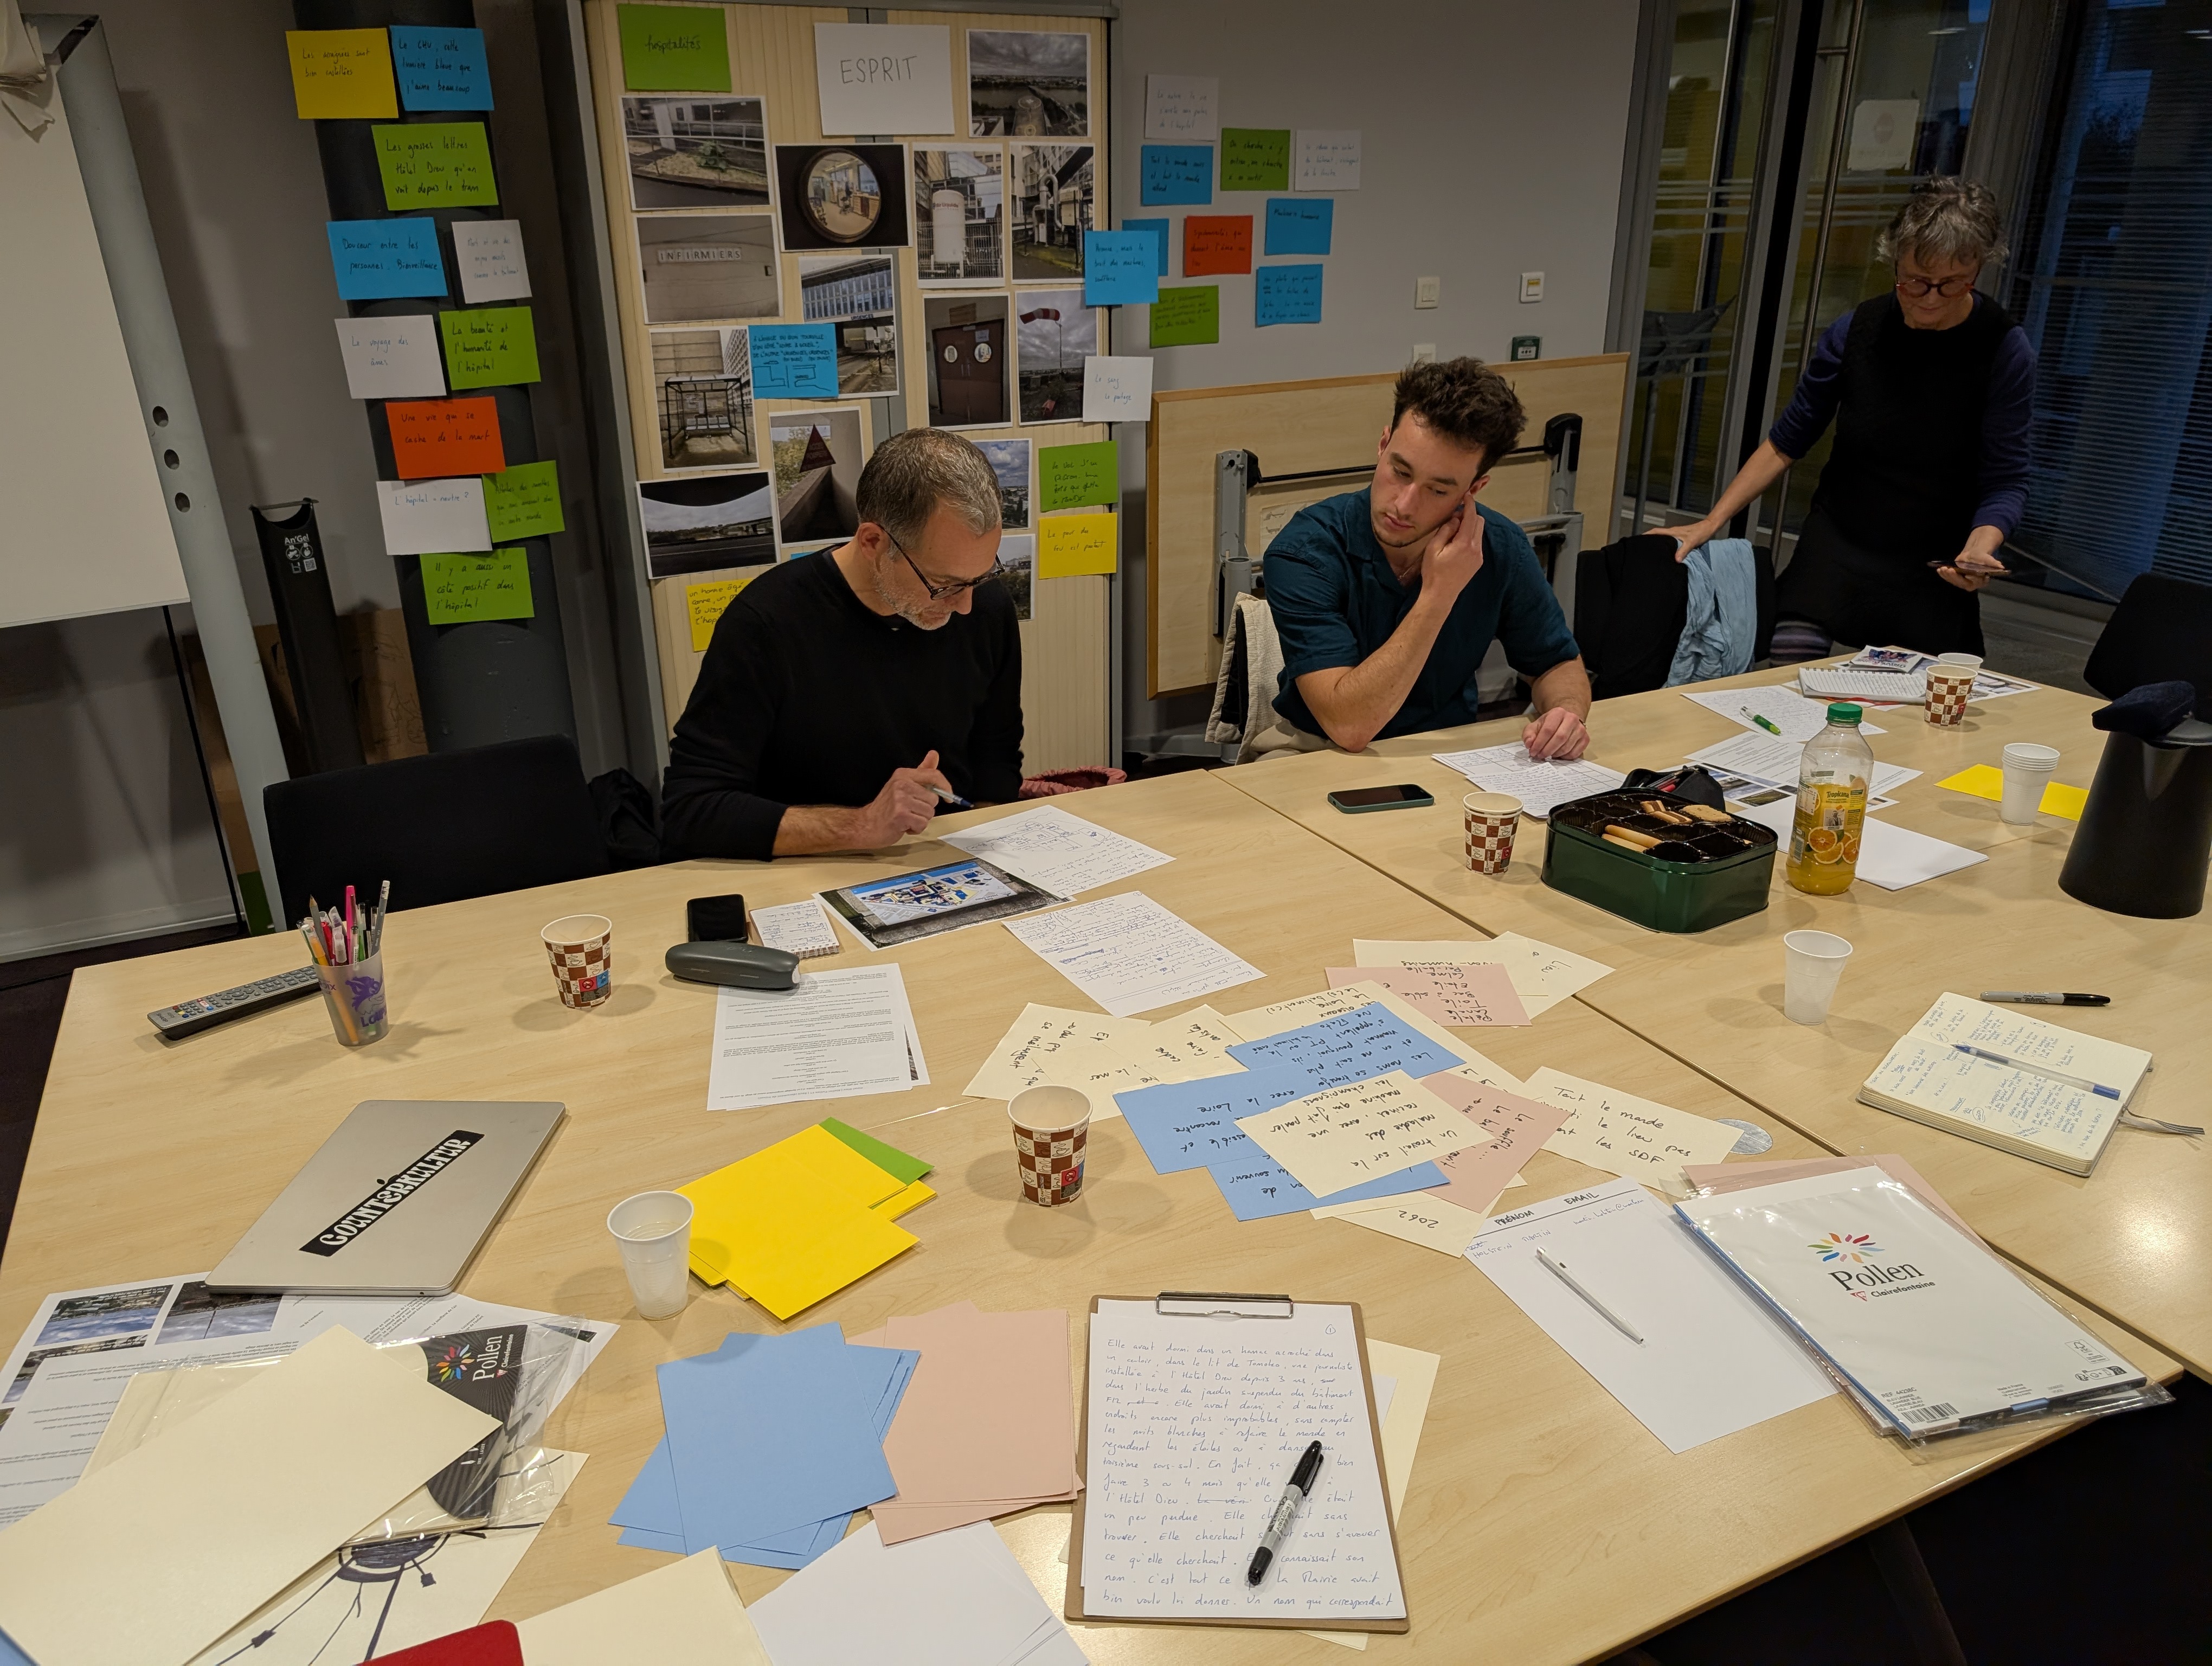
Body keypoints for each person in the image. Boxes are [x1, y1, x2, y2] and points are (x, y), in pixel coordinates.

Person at [1668, 179, 2034, 658]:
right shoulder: (1857, 329)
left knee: (1912, 691)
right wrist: (1712, 521)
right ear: (1895, 261)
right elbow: (1787, 441)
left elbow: (2007, 479)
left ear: (1979, 268)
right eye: (1915, 281)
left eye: (1951, 284)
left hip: (1931, 552)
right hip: (1841, 535)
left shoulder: (2004, 349)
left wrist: (1981, 547)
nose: (1929, 298)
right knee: (1791, 652)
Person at [659, 428, 1022, 860]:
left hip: (942, 859)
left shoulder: (986, 608)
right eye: (943, 584)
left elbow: (997, 763)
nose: (965, 605)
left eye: (982, 575)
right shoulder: (766, 623)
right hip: (809, 869)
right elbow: (691, 811)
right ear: (873, 542)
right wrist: (862, 825)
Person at [1260, 357, 1592, 757]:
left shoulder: (1501, 546)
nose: (1404, 505)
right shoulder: (1305, 551)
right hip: (1319, 746)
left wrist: (1566, 714)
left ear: (1474, 489)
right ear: (1383, 445)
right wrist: (1439, 593)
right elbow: (1349, 727)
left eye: (1437, 490)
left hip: (1446, 747)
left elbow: (1556, 663)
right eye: (1401, 472)